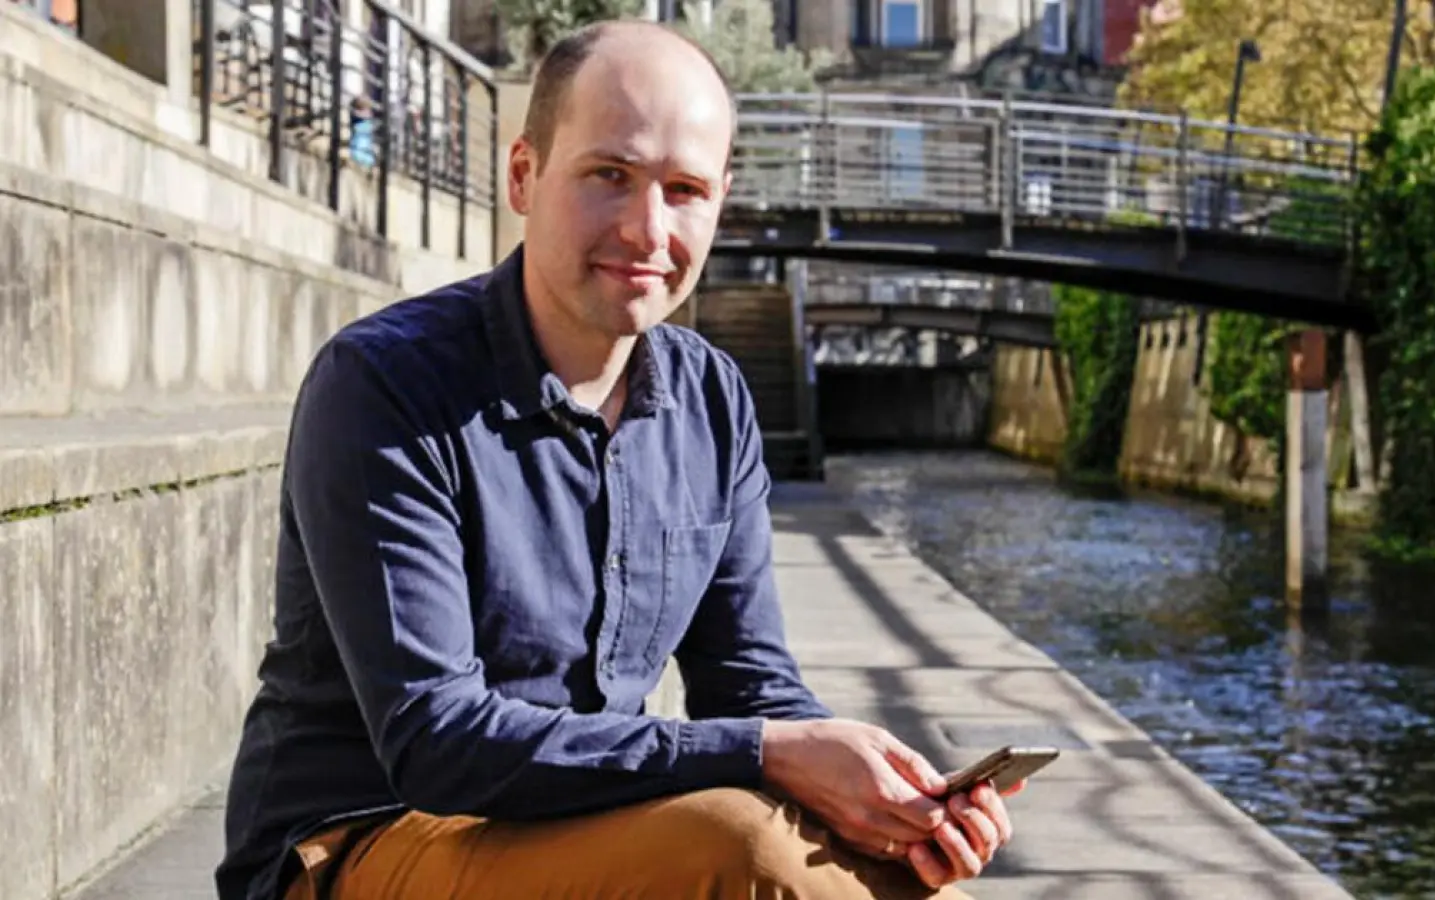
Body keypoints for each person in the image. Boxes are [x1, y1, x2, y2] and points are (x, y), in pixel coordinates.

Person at [215, 20, 1019, 900]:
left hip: (579, 824)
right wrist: (768, 756)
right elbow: (435, 741)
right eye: (610, 176)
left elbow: (749, 684)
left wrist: (889, 800)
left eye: (684, 190)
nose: (648, 229)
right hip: (360, 840)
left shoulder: (712, 400)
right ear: (524, 175)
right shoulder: (385, 385)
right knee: (747, 850)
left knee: (881, 868)